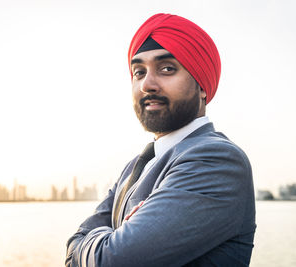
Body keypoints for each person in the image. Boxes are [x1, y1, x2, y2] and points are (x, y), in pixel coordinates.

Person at [65, 13, 256, 267]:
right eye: (138, 72)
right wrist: (107, 241)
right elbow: (71, 252)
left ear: (202, 86)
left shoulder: (216, 160)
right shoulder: (134, 166)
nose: (147, 84)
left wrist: (96, 243)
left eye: (167, 69)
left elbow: (114, 261)